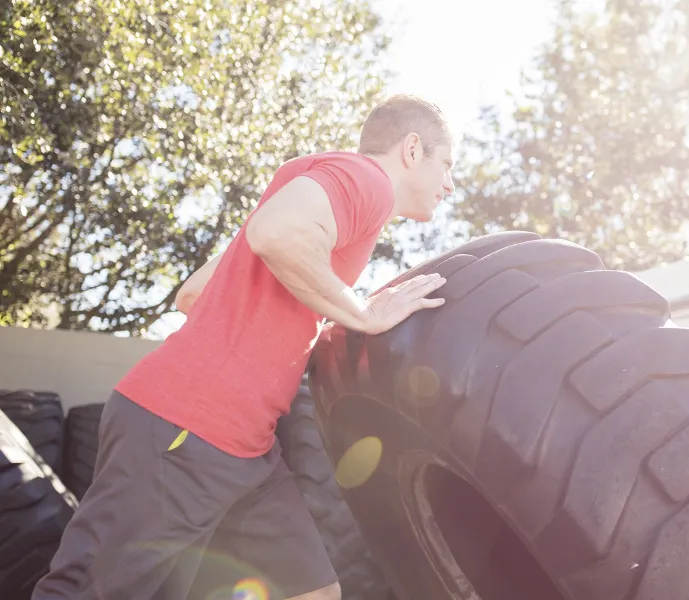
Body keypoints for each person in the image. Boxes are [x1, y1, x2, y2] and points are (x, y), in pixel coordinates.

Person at [31, 94, 455, 600]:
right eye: (446, 164)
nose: (449, 184)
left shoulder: (315, 183)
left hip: (246, 448)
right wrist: (362, 312)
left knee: (313, 592)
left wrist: (301, 329)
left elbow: (194, 293)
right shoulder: (366, 181)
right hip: (187, 427)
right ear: (412, 149)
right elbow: (274, 234)